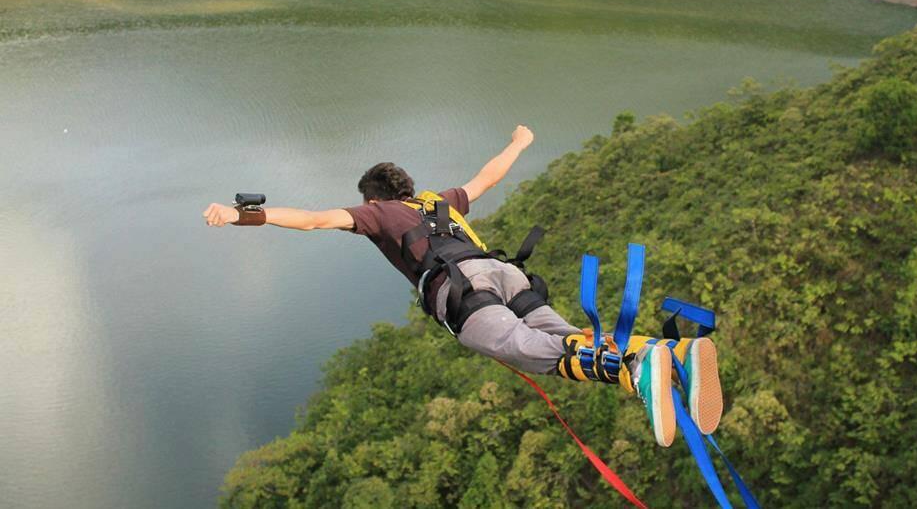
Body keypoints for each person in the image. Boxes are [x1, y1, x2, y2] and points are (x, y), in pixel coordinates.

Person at [202, 125, 722, 447]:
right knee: (559, 336)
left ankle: (630, 368)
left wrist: (244, 216)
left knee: (518, 347)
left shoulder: (377, 212)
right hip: (503, 271)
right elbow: (489, 177)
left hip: (462, 290)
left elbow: (315, 220)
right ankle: (668, 353)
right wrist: (520, 141)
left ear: (373, 197)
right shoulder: (439, 201)